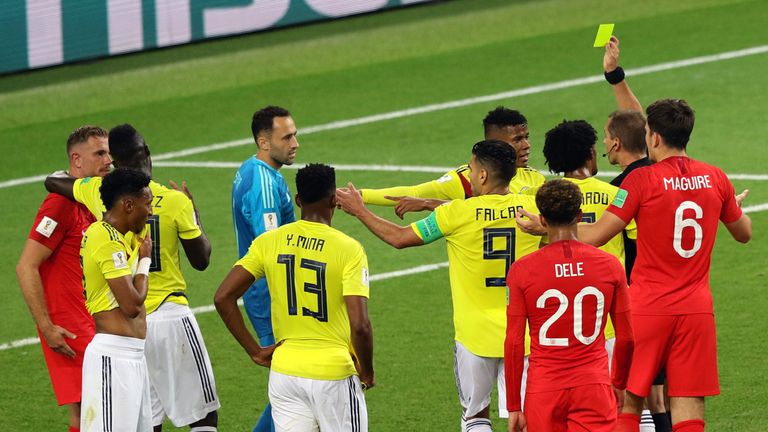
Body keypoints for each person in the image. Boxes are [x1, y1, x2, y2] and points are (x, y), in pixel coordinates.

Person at [518, 99, 751, 432]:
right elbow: (744, 233)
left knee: (628, 401)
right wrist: (728, 207)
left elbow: (596, 235)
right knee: (688, 403)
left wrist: (547, 228)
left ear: (654, 137)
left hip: (648, 307)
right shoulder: (716, 178)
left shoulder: (641, 181)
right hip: (697, 310)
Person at [337, 140, 541, 432]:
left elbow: (399, 238)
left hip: (473, 337)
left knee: (475, 417)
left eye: (471, 169)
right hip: (524, 337)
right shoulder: (533, 210)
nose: (469, 175)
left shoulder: (456, 214)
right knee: (525, 420)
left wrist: (361, 211)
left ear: (483, 175)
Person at [45, 125, 219, 431]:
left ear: (114, 161)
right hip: (165, 317)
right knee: (202, 416)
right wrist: (193, 213)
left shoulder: (100, 196)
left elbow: (53, 180)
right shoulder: (174, 201)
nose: (148, 210)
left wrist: (90, 179)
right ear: (145, 153)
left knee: (148, 421)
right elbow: (201, 260)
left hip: (134, 332)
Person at [215, 163, 373, 431]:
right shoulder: (349, 249)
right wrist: (367, 371)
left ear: (298, 200)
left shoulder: (268, 242)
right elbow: (360, 325)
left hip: (285, 373)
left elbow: (223, 297)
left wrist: (255, 352)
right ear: (334, 200)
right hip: (333, 373)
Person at [505, 179, 634, 432]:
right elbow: (627, 337)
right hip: (594, 386)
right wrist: (619, 384)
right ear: (579, 216)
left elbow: (514, 343)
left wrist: (513, 406)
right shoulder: (610, 265)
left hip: (544, 389)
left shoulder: (522, 270)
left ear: (542, 220)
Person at [16, 126, 111, 432]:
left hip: (94, 316)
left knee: (96, 407)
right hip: (69, 324)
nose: (108, 160)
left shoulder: (93, 199)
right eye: (100, 153)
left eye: (109, 153)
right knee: (92, 406)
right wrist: (46, 327)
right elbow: (26, 266)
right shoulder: (59, 204)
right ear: (76, 160)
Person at [603, 35, 667, 432]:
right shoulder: (663, 169)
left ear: (614, 144)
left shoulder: (624, 188)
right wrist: (615, 76)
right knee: (670, 391)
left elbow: (598, 235)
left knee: (642, 394)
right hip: (682, 291)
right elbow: (637, 122)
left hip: (642, 296)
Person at [232, 105, 299, 432]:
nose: (295, 143)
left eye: (295, 135)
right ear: (263, 142)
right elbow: (271, 248)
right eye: (286, 137)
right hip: (272, 297)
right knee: (291, 390)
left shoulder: (253, 170)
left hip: (266, 293)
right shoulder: (264, 184)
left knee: (291, 388)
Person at [358, 107, 545, 218]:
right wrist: (361, 196)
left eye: (526, 137)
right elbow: (414, 193)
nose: (526, 145)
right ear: (494, 143)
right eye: (517, 140)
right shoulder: (465, 179)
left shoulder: (535, 178)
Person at [79, 167, 154, 431]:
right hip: (113, 357)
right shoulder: (104, 237)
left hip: (133, 356)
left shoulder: (124, 238)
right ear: (128, 205)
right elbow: (132, 305)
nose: (151, 211)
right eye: (147, 204)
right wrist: (145, 262)